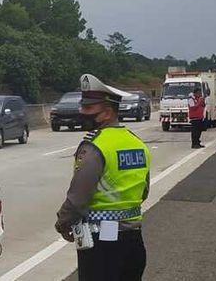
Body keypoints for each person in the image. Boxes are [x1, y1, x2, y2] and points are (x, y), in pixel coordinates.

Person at [55, 74, 150, 281]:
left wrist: (63, 223)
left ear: (107, 113)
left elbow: (78, 197)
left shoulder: (95, 147)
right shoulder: (137, 143)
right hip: (134, 240)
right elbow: (143, 192)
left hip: (102, 244)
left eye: (88, 109)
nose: (81, 112)